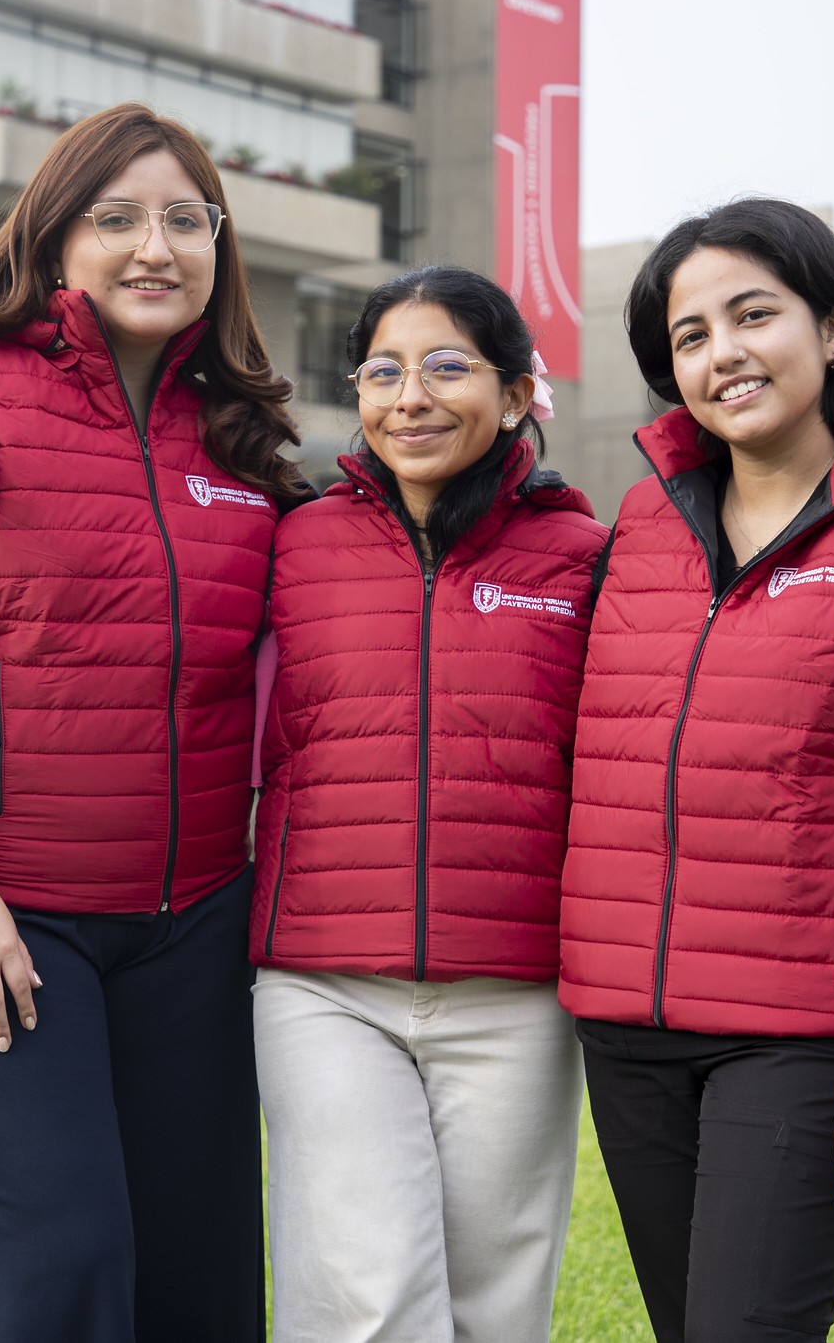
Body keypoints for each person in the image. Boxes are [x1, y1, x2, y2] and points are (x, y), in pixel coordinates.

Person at [0, 103, 310, 1341]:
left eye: (184, 220)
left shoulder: (244, 446)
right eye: (117, 218)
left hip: (191, 928)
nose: (155, 246)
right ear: (54, 245)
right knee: (56, 1275)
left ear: (219, 245)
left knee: (198, 1288)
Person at [559, 198, 834, 1341]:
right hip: (628, 1033)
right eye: (690, 337)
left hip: (796, 1038)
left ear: (833, 328)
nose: (723, 354)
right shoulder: (640, 525)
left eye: (751, 315)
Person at [251, 266, 610, 1343]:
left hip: (517, 985)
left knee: (498, 1302)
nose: (410, 396)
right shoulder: (292, 546)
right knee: (368, 1295)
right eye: (383, 370)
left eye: (447, 367)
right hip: (322, 981)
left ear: (514, 395)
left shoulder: (587, 561)